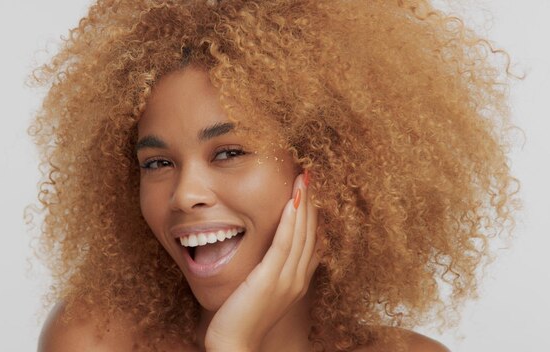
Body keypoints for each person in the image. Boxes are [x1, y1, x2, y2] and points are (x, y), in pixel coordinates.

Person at [28, 0, 519, 351]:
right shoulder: (96, 338)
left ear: (325, 169)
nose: (185, 195)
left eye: (229, 152)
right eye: (158, 163)